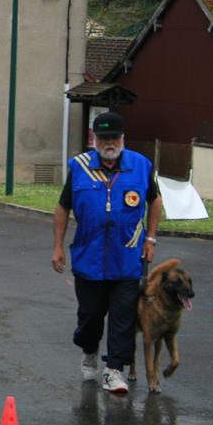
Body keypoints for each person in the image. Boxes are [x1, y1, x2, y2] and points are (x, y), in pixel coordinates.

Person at [53, 112, 162, 394]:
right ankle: (89, 349)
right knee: (90, 314)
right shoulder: (79, 167)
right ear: (94, 139)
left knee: (123, 316)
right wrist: (58, 246)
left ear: (122, 138)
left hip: (127, 257)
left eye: (114, 137)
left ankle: (115, 370)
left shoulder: (140, 165)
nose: (109, 143)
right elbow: (63, 206)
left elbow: (155, 201)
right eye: (103, 138)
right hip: (88, 257)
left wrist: (150, 238)